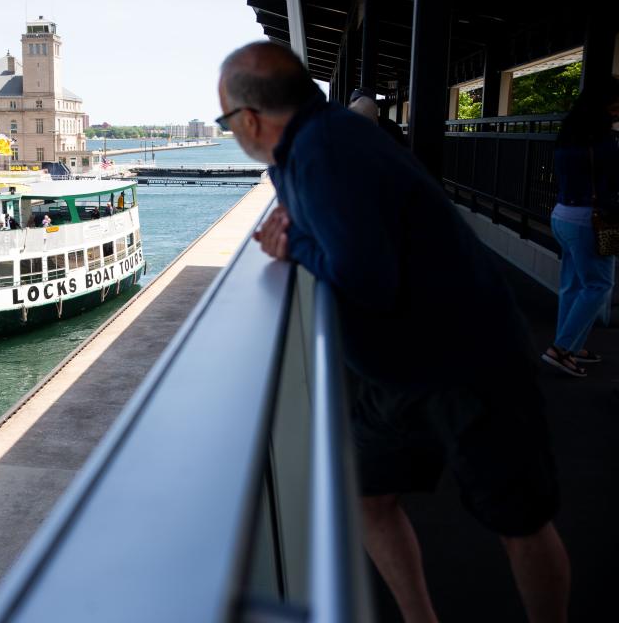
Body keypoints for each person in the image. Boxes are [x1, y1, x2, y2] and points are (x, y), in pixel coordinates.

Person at [219, 41, 570, 623]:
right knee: (368, 498)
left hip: (469, 363)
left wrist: (293, 242)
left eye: (226, 121)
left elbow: (366, 279)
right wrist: (301, 224)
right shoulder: (309, 146)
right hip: (394, 371)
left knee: (520, 521)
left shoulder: (325, 150)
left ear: (250, 119)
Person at [541, 79, 619, 377]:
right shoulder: (602, 141)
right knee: (599, 286)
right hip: (590, 220)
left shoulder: (569, 135)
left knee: (573, 285)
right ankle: (561, 350)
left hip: (562, 215)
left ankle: (572, 344)